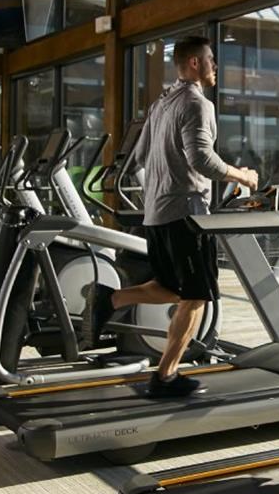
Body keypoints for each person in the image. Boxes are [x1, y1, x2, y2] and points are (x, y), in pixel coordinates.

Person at [85, 36, 258, 397]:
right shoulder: (197, 104)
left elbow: (141, 157)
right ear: (195, 63)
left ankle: (111, 299)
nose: (215, 66)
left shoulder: (162, 103)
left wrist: (161, 188)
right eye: (211, 59)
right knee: (196, 297)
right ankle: (165, 376)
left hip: (158, 214)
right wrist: (243, 175)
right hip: (187, 215)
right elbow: (201, 160)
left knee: (171, 287)